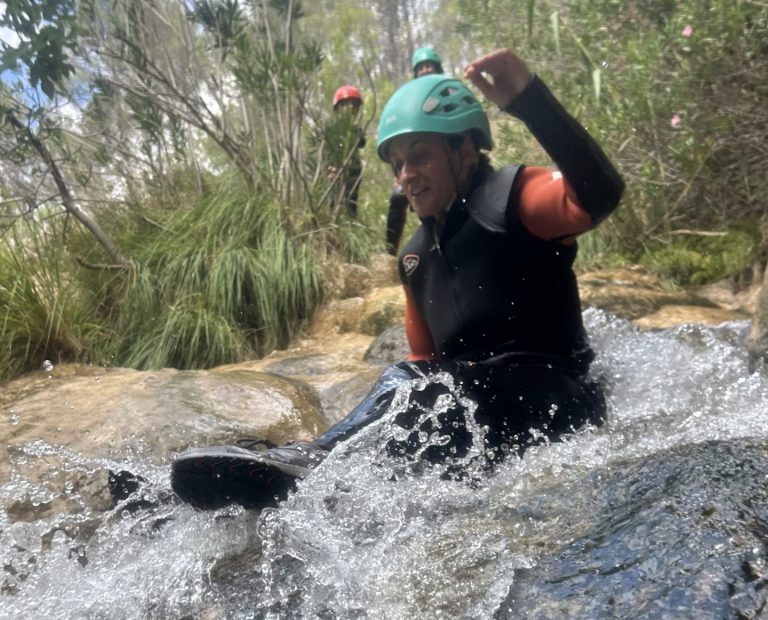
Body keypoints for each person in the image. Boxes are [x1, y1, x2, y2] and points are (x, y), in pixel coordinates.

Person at [171, 47, 624, 511]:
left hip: (559, 402)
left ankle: (312, 461)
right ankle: (193, 503)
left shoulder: (512, 197)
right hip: (478, 414)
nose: (406, 176)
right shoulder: (414, 257)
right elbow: (424, 362)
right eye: (397, 164)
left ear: (464, 150)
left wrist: (530, 101)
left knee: (417, 386)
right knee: (407, 419)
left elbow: (601, 194)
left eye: (420, 157)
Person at [385, 46, 444, 255]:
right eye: (421, 67)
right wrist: (400, 170)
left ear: (437, 68)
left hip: (446, 160)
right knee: (399, 196)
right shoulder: (410, 100)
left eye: (429, 65)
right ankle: (389, 252)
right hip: (419, 160)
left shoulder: (450, 91)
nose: (426, 70)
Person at [327, 85, 366, 218]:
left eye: (353, 104)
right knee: (334, 200)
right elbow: (329, 148)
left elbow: (362, 142)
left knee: (351, 202)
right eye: (346, 104)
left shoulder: (356, 129)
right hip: (336, 167)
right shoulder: (333, 129)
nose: (350, 107)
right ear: (338, 108)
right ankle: (333, 226)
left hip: (354, 168)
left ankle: (351, 224)